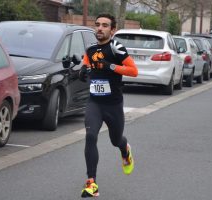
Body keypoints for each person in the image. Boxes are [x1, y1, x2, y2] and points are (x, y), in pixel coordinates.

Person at [79, 13, 138, 198]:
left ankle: (125, 149)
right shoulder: (90, 50)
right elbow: (86, 67)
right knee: (90, 135)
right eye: (97, 25)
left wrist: (111, 66)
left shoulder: (116, 48)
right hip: (95, 102)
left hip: (113, 104)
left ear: (112, 30)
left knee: (116, 140)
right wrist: (82, 72)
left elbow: (133, 71)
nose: (100, 28)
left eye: (105, 25)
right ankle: (91, 183)